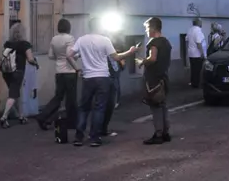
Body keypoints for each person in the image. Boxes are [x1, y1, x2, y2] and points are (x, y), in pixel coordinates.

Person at [69, 18, 137, 147]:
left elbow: (69, 55)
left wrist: (77, 68)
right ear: (100, 27)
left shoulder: (82, 40)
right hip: (103, 78)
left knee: (83, 108)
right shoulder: (105, 40)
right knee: (99, 108)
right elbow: (116, 57)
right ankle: (94, 137)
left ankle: (78, 137)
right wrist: (130, 52)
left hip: (87, 78)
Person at [37, 19, 78, 131]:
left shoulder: (54, 39)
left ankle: (43, 116)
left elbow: (50, 55)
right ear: (68, 27)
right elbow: (70, 55)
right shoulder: (70, 38)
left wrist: (59, 58)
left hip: (59, 71)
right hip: (69, 72)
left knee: (58, 97)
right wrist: (77, 67)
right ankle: (72, 122)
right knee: (71, 98)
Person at [137, 17, 172, 145]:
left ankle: (158, 134)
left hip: (154, 80)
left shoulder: (154, 43)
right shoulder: (166, 42)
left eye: (147, 28)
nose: (146, 31)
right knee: (163, 106)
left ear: (152, 28)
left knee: (156, 106)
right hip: (164, 77)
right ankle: (165, 132)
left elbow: (152, 58)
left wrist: (142, 62)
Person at [0, 23, 39, 129]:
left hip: (6, 72)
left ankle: (21, 116)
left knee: (16, 93)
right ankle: (4, 117)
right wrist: (35, 63)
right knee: (13, 95)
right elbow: (30, 59)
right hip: (18, 72)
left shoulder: (7, 43)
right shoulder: (25, 44)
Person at [185, 18, 205, 89]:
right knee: (198, 69)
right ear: (198, 23)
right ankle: (196, 84)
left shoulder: (190, 30)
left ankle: (193, 82)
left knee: (193, 69)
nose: (202, 23)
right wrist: (202, 53)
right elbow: (199, 43)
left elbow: (186, 40)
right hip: (197, 54)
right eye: (201, 22)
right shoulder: (198, 30)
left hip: (191, 53)